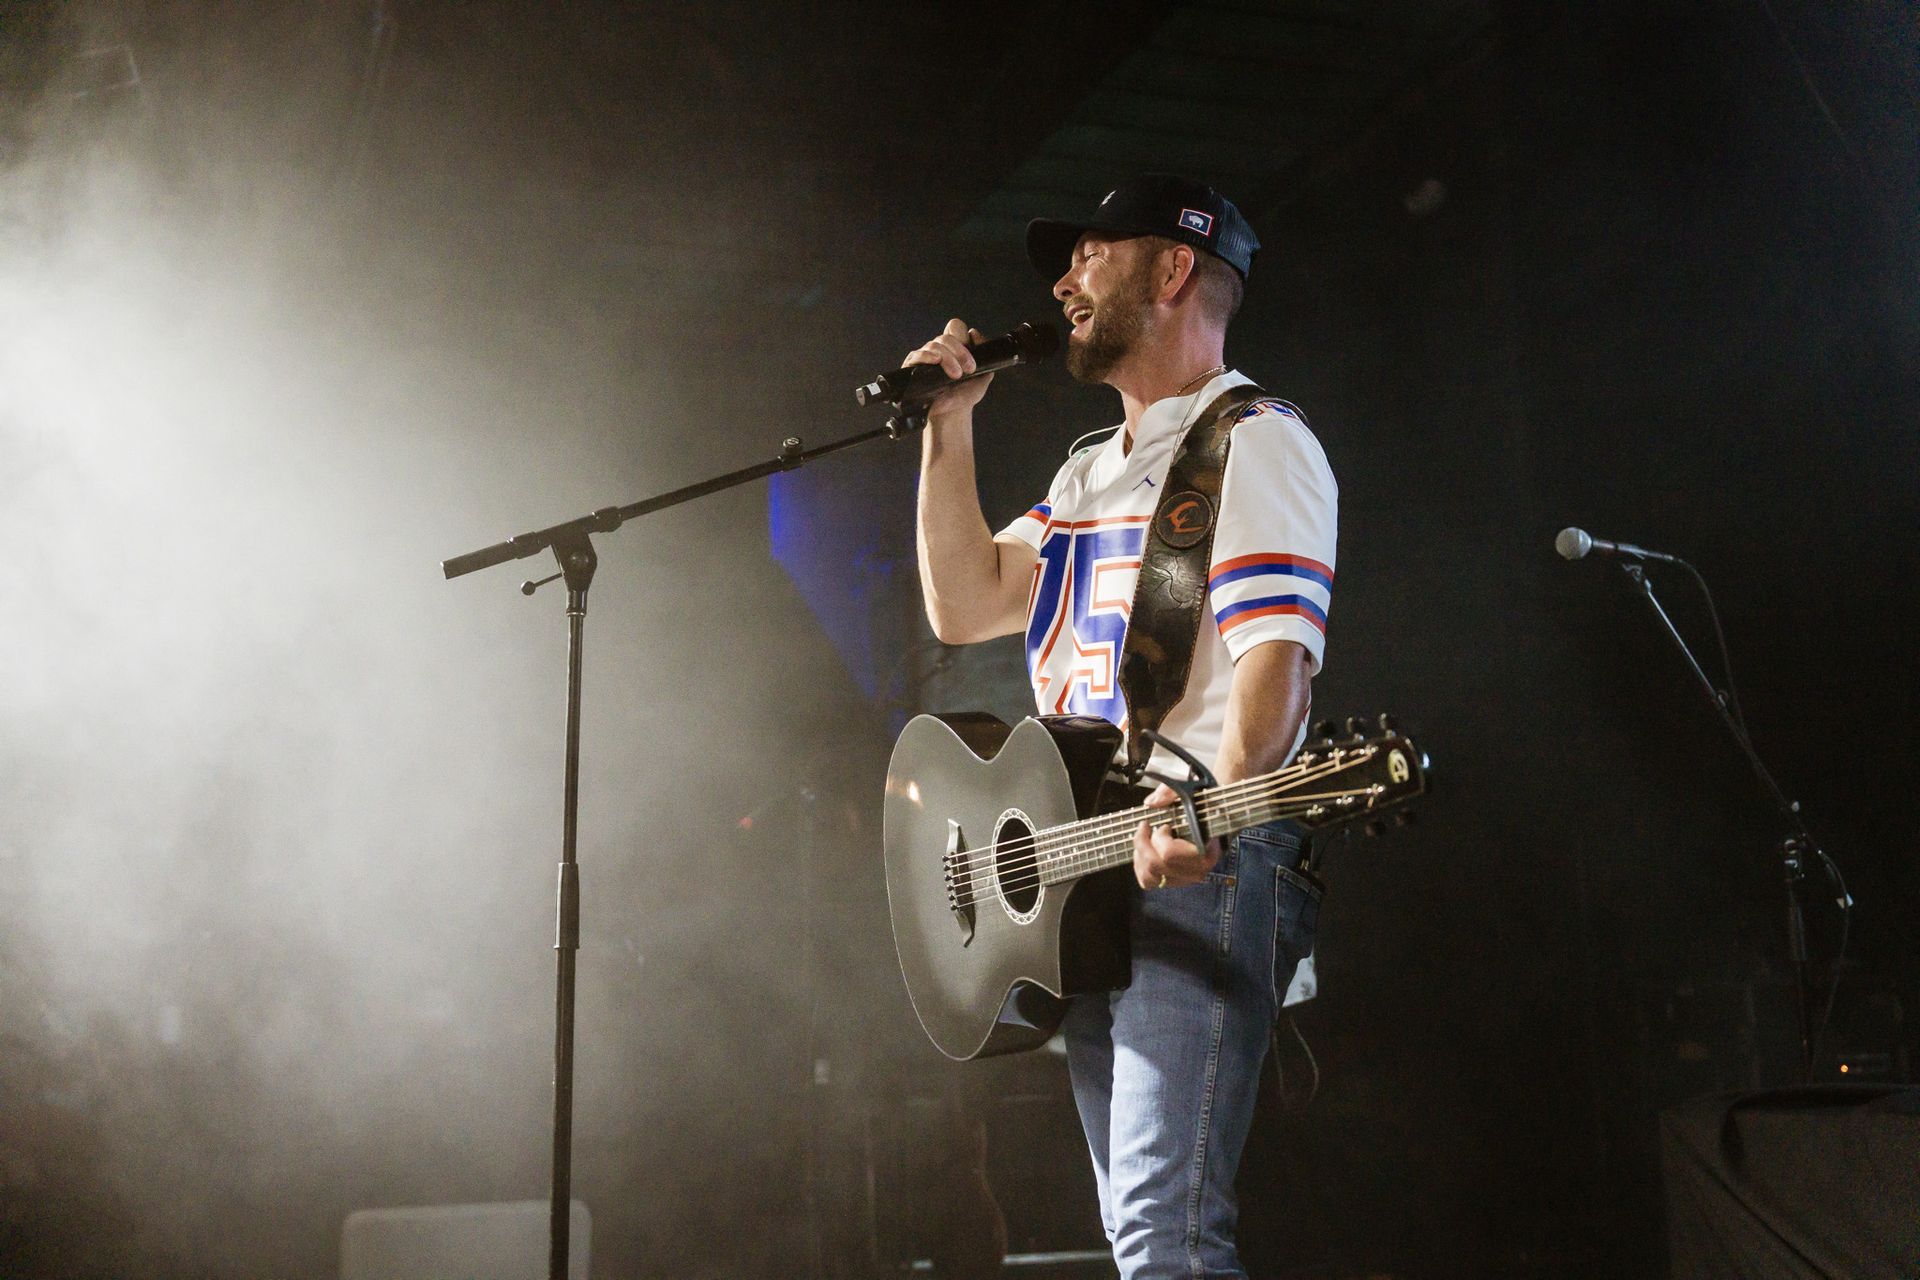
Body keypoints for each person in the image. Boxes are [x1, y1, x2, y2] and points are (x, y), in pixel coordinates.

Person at [905, 174, 1338, 1279]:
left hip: (1196, 857)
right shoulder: (1086, 472)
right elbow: (961, 604)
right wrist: (946, 430)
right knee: (1144, 1229)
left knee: (1163, 1231)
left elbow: (1274, 672)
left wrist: (1215, 808)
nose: (1061, 281)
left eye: (1091, 253)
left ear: (1175, 266)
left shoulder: (1256, 440)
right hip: (1091, 873)